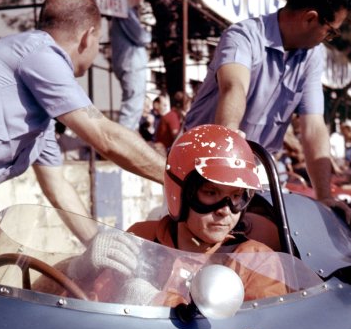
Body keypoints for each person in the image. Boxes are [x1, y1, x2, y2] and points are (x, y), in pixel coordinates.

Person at [0, 0, 166, 324]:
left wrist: (98, 245)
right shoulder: (40, 52)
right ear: (89, 35)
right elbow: (105, 137)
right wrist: (179, 177)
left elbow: (58, 187)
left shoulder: (40, 116)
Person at [183, 0, 351, 227]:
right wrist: (226, 157)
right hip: (203, 160)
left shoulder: (314, 56)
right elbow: (234, 87)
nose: (329, 39)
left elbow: (314, 127)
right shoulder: (243, 36)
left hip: (256, 166)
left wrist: (325, 196)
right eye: (331, 32)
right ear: (310, 18)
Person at [101, 124, 288, 305]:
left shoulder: (257, 261)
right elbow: (91, 304)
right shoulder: (143, 237)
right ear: (180, 193)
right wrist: (81, 268)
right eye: (211, 193)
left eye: (236, 196)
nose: (225, 210)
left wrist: (161, 302)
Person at [109, 0, 152, 131]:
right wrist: (148, 32)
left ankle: (125, 140)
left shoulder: (125, 12)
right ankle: (121, 145)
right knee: (132, 108)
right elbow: (142, 36)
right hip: (131, 65)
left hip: (130, 64)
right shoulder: (124, 12)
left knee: (135, 107)